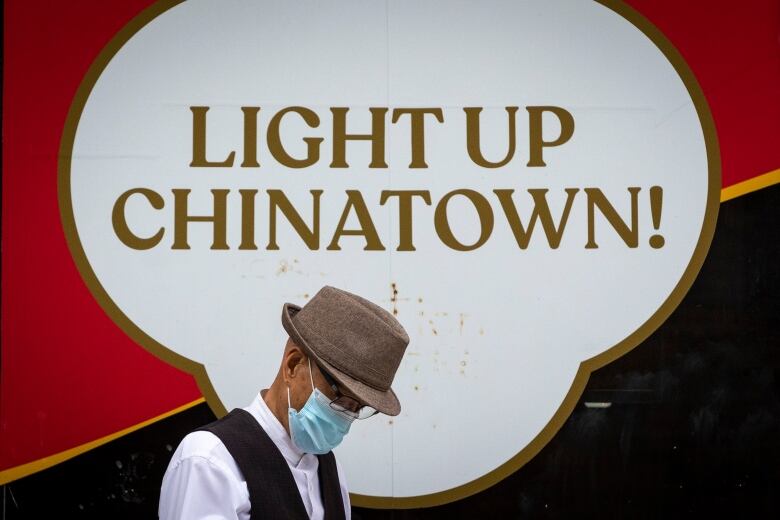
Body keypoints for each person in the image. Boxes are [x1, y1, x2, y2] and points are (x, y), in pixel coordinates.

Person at [159, 285, 410, 519]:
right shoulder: (210, 461)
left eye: (357, 408)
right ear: (293, 365)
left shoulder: (330, 471)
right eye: (340, 397)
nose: (346, 417)